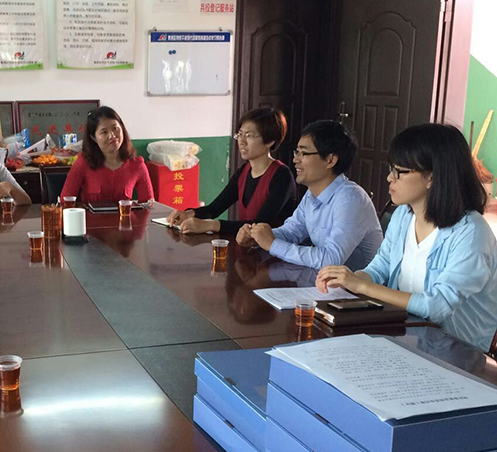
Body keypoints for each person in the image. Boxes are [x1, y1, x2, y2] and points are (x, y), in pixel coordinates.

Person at [317, 123, 497, 353]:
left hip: (456, 353)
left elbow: (437, 306)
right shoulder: (404, 214)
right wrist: (348, 281)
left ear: (431, 177)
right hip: (406, 337)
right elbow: (381, 267)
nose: (389, 178)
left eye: (399, 171)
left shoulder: (470, 233)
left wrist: (361, 285)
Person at [237, 120, 382, 270]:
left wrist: (273, 244)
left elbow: (331, 260)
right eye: (296, 152)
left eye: (304, 153)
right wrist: (257, 236)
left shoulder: (351, 199)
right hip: (327, 281)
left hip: (359, 284)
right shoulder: (312, 194)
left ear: (330, 160)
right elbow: (291, 232)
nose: (295, 160)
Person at [165, 108, 296, 234]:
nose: (242, 141)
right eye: (240, 134)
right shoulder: (243, 172)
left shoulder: (282, 176)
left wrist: (210, 225)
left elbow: (259, 225)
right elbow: (214, 209)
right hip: (248, 245)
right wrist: (188, 214)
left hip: (275, 247)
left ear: (270, 141)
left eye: (249, 135)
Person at [60, 106, 154, 203]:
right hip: (89, 214)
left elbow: (149, 204)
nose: (112, 135)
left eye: (115, 128)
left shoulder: (137, 165)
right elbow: (65, 201)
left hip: (124, 213)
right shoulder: (83, 163)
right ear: (94, 138)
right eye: (104, 132)